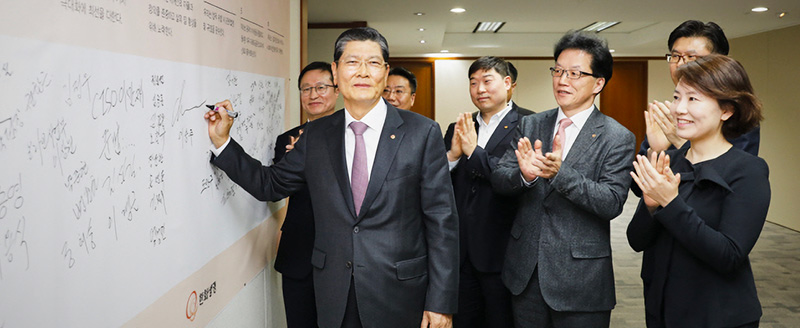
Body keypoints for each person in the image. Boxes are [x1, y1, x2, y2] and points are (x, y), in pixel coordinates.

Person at [204, 27, 459, 328]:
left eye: (374, 63)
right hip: (335, 292)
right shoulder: (316, 136)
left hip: (401, 293)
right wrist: (223, 142)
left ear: (386, 72)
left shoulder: (422, 132)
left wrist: (440, 303)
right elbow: (270, 184)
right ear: (336, 72)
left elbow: (442, 221)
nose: (363, 72)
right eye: (352, 62)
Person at [491, 31, 635, 327]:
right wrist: (524, 175)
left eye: (574, 73)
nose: (562, 80)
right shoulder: (531, 123)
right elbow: (500, 178)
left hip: (581, 279)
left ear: (598, 83)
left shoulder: (617, 136)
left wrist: (561, 174)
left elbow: (611, 202)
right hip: (526, 273)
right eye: (557, 71)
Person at [627, 54, 769, 327]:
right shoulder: (673, 161)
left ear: (726, 110)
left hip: (718, 315)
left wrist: (670, 202)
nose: (679, 109)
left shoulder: (748, 170)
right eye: (677, 97)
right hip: (664, 310)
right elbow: (636, 240)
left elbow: (728, 256)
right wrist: (650, 205)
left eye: (693, 99)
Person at [444, 56, 533, 328]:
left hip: (503, 247)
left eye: (487, 81)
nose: (479, 89)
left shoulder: (528, 124)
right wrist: (453, 156)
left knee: (500, 320)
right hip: (460, 249)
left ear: (508, 84)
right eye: (473, 83)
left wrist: (474, 152)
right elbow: (436, 182)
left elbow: (511, 178)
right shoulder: (458, 126)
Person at [273, 61, 339, 328]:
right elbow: (279, 186)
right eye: (306, 89)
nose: (313, 95)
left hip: (341, 255)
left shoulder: (354, 136)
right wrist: (296, 158)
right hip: (298, 251)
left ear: (337, 91)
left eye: (321, 87)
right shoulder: (287, 140)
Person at [641, 20, 760, 156]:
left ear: (718, 62)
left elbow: (735, 171)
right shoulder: (670, 114)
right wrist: (656, 151)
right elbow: (637, 175)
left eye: (691, 57)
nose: (680, 64)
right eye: (675, 56)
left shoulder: (736, 115)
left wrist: (680, 142)